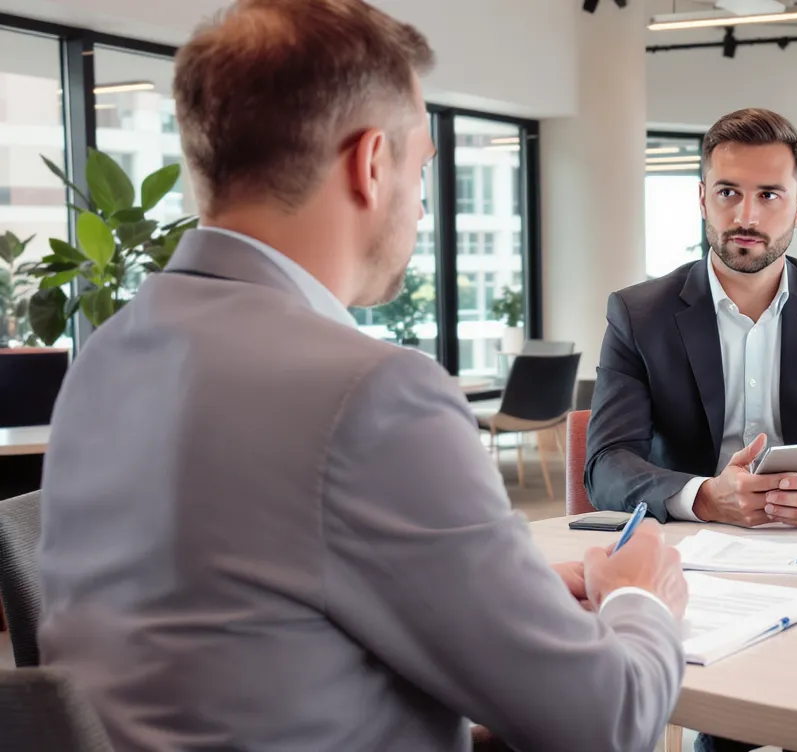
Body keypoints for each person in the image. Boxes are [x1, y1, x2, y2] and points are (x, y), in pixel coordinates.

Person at [37, 2, 687, 750]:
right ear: (371, 163)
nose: (421, 204)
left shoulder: (107, 357)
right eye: (422, 168)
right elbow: (606, 722)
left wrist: (514, 600)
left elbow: (252, 612)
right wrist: (641, 597)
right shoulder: (371, 393)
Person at [585, 108, 797, 532]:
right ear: (703, 199)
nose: (746, 217)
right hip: (685, 538)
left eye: (768, 195)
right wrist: (704, 498)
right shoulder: (639, 315)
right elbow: (606, 463)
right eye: (728, 192)